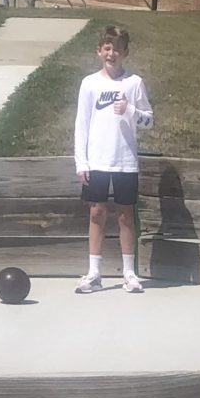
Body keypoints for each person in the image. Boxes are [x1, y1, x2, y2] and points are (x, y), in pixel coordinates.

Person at [73, 24, 155, 294]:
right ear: (99, 51)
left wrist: (130, 109)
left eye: (117, 49)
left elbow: (149, 121)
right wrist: (81, 162)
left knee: (125, 215)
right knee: (96, 213)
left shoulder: (134, 83)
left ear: (126, 53)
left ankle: (129, 274)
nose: (112, 53)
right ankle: (94, 273)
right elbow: (81, 124)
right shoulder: (89, 84)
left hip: (125, 161)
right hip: (97, 160)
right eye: (107, 48)